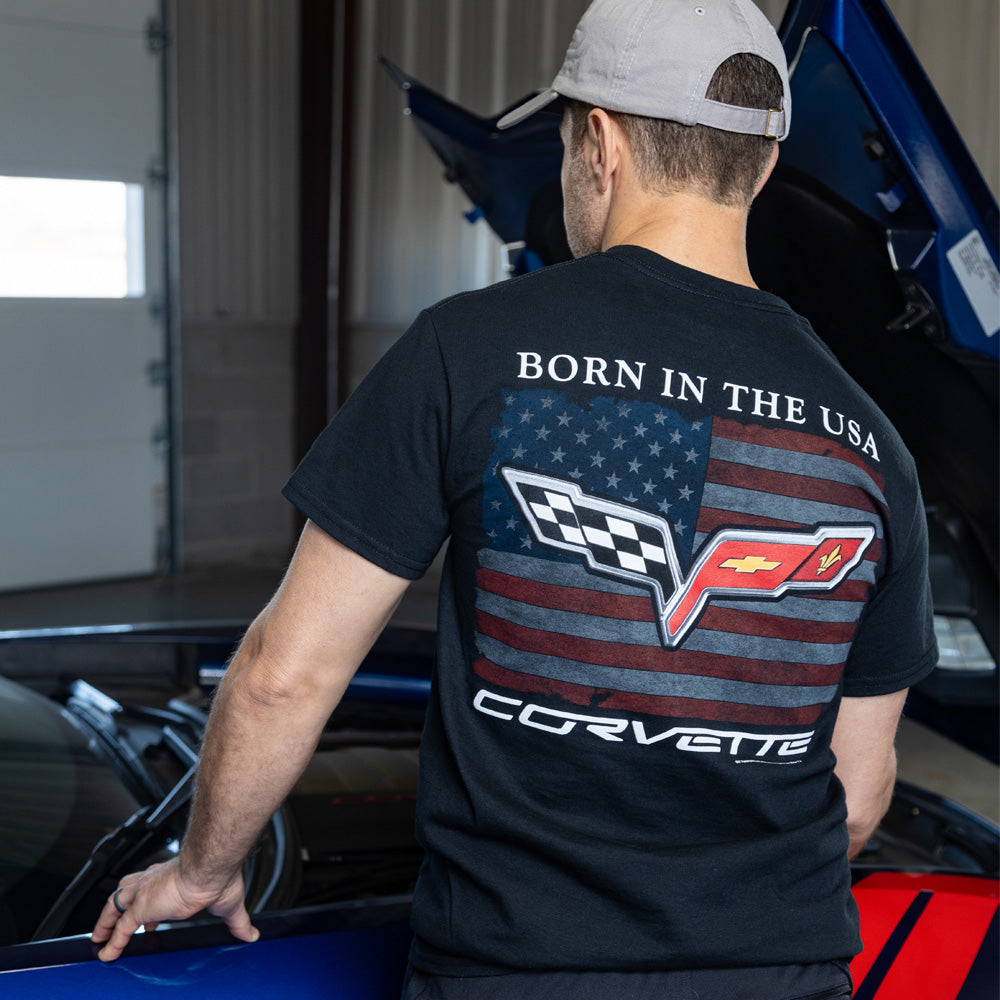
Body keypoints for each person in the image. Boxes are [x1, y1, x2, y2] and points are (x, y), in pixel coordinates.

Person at [91, 1, 938, 996]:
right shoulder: (870, 440)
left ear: (598, 141)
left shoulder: (469, 352)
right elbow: (853, 792)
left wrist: (204, 866)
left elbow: (286, 673)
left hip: (517, 971)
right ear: (757, 166)